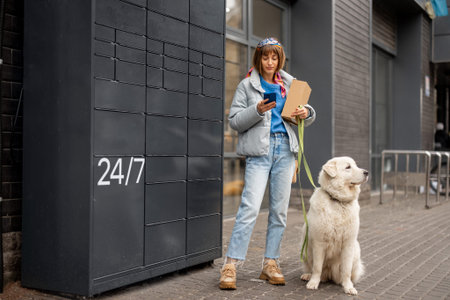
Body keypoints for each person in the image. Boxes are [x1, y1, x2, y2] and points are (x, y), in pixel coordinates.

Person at [219, 37, 316, 290]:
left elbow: (306, 112)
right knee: (249, 208)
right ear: (258, 58)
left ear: (279, 59)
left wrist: (307, 113)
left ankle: (270, 263)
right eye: (265, 57)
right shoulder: (246, 85)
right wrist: (258, 109)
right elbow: (234, 121)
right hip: (259, 153)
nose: (270, 62)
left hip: (286, 149)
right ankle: (231, 264)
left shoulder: (290, 83)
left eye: (274, 57)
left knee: (280, 212)